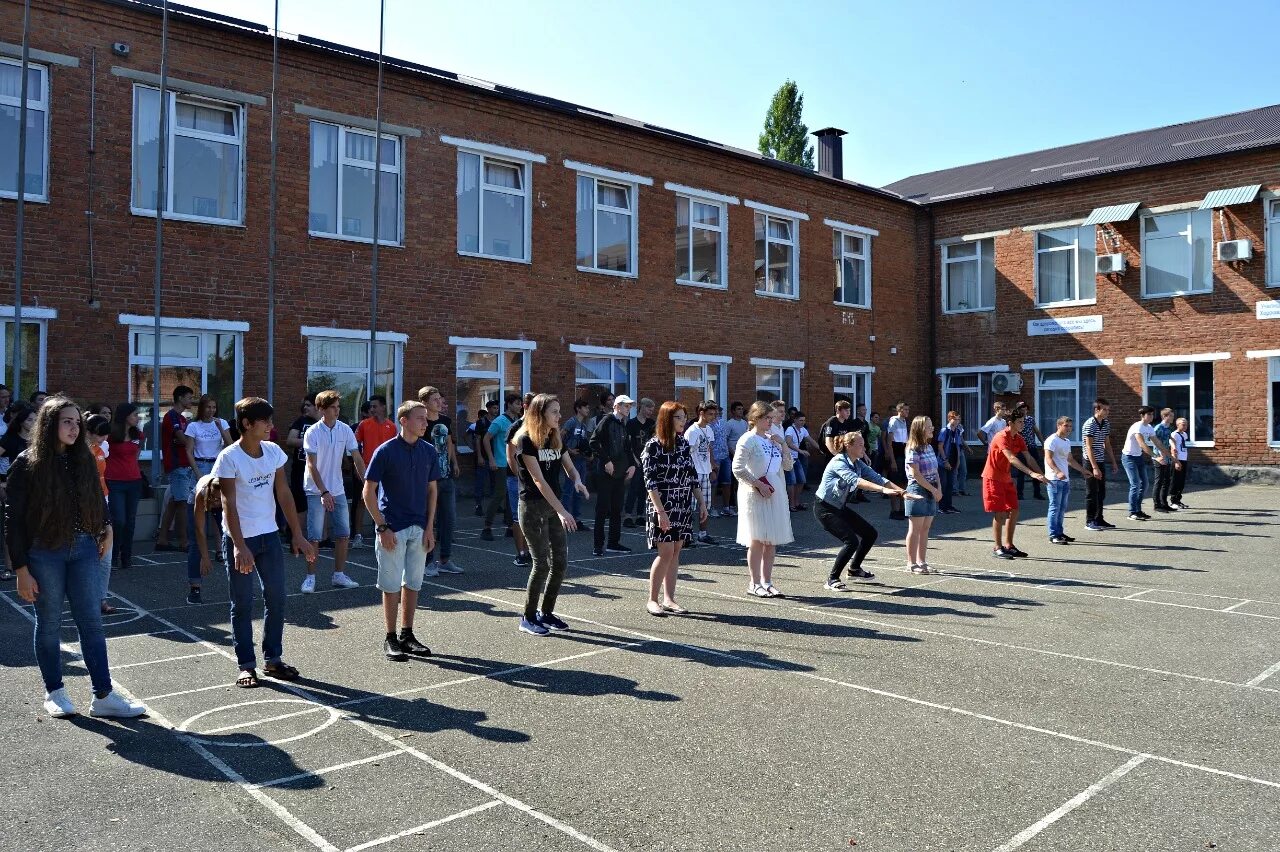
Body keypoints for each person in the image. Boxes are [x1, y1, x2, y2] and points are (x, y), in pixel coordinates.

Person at [7, 397, 145, 719]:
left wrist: (107, 526)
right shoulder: (27, 463)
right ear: (50, 424)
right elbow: (11, 520)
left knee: (91, 622)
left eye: (76, 422)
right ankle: (55, 692)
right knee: (50, 623)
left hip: (83, 549)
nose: (74, 427)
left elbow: (97, 494)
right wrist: (20, 569)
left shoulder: (83, 457)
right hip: (43, 553)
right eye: (66, 421)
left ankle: (104, 696)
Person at [214, 397, 317, 688]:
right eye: (266, 421)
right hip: (240, 538)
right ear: (247, 424)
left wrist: (297, 534)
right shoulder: (229, 457)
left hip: (269, 535)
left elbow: (284, 494)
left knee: (276, 597)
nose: (272, 425)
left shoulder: (272, 452)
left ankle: (273, 660)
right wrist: (238, 545)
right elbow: (228, 503)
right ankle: (246, 665)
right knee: (242, 603)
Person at [362, 400, 438, 662]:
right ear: (404, 421)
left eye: (426, 419)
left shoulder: (428, 451)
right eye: (420, 419)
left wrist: (430, 527)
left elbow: (432, 491)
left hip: (419, 528)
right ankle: (390, 637)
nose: (425, 423)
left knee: (414, 582)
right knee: (391, 584)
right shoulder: (385, 451)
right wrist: (381, 526)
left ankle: (407, 635)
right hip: (392, 528)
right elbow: (367, 492)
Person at [514, 394, 588, 635]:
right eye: (554, 412)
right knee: (541, 564)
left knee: (560, 563)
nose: (559, 416)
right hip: (533, 508)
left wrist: (577, 480)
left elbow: (569, 466)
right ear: (540, 414)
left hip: (553, 506)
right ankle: (527, 617)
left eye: (559, 411)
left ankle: (546, 613)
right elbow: (538, 481)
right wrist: (563, 511)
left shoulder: (555, 436)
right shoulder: (526, 440)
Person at [815, 431, 914, 591]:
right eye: (860, 444)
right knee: (851, 541)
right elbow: (857, 481)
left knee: (870, 534)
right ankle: (832, 579)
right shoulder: (839, 462)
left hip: (839, 507)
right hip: (825, 508)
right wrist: (882, 491)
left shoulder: (857, 463)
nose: (864, 447)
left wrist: (903, 493)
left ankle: (854, 569)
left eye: (864, 444)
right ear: (848, 446)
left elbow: (879, 478)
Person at [642, 401, 706, 616]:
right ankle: (652, 600)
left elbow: (691, 475)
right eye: (678, 417)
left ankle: (669, 598)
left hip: (682, 504)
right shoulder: (653, 445)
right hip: (662, 504)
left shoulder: (682, 444)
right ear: (667, 419)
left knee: (676, 551)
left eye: (684, 416)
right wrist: (660, 512)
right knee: (665, 551)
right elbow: (650, 482)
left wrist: (702, 502)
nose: (683, 421)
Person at [301, 389, 367, 592]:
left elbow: (356, 457)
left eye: (338, 407)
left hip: (337, 489)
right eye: (332, 407)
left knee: (344, 534)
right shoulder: (312, 432)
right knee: (314, 537)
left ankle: (338, 575)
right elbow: (312, 466)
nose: (337, 411)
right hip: (315, 490)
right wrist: (323, 492)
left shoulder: (345, 429)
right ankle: (310, 577)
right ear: (321, 409)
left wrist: (367, 482)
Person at [732, 401, 793, 597]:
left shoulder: (772, 439)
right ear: (756, 418)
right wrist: (758, 484)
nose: (771, 421)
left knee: (771, 540)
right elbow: (738, 469)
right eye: (767, 418)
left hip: (774, 492)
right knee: (757, 539)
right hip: (754, 493)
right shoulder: (747, 439)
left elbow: (788, 466)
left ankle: (767, 581)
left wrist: (782, 444)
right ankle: (754, 582)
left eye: (771, 418)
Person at [982, 411, 1048, 560]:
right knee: (1000, 513)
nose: (1022, 425)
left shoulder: (1019, 438)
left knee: (1014, 510)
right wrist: (1031, 474)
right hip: (992, 478)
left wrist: (1042, 475)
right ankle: (997, 548)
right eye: (1020, 422)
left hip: (1006, 478)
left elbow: (1029, 458)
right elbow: (1011, 458)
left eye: (1023, 422)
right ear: (1010, 423)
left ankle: (1009, 545)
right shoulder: (1001, 436)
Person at [420, 386, 462, 576]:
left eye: (439, 399)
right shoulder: (421, 422)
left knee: (449, 520)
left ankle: (445, 560)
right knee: (429, 520)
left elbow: (449, 443)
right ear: (425, 403)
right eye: (435, 399)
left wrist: (454, 463)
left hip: (446, 478)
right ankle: (428, 562)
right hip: (427, 480)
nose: (439, 402)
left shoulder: (446, 421)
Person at [589, 394, 636, 556]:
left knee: (617, 509)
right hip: (605, 473)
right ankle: (598, 545)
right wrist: (606, 461)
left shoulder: (624, 424)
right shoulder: (607, 420)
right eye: (625, 405)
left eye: (629, 406)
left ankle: (613, 543)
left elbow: (627, 448)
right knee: (602, 509)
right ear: (616, 406)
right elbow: (594, 441)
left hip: (620, 473)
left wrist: (632, 465)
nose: (628, 409)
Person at [105, 403, 145, 572]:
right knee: (118, 520)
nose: (137, 417)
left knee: (130, 521)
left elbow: (136, 456)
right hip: (114, 481)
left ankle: (126, 556)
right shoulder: (111, 435)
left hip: (134, 481)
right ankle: (113, 555)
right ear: (125, 416)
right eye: (135, 414)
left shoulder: (138, 435)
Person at [0, 402, 37, 581]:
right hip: (17, 488)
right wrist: (2, 483)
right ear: (22, 421)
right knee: (13, 526)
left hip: (38, 488)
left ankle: (32, 563)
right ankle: (9, 566)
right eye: (30, 419)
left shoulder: (40, 441)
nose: (34, 423)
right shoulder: (11, 439)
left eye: (37, 420)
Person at [1043, 416, 1094, 545]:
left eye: (1070, 426)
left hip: (1065, 480)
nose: (1069, 429)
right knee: (1054, 507)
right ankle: (1053, 535)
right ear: (1059, 426)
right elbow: (1048, 458)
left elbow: (1070, 460)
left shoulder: (1066, 441)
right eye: (1066, 426)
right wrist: (1057, 472)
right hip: (1054, 479)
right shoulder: (1051, 440)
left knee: (1062, 508)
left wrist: (1083, 470)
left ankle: (1059, 533)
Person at [903, 416, 944, 573]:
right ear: (920, 429)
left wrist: (938, 488)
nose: (932, 429)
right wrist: (933, 490)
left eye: (932, 426)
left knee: (925, 528)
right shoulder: (912, 448)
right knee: (915, 528)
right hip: (917, 489)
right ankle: (911, 563)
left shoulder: (929, 447)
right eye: (929, 426)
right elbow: (916, 474)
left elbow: (935, 471)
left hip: (932, 488)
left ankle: (922, 561)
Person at [84, 414, 115, 613]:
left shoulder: (102, 448)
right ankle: (85, 598)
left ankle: (101, 598)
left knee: (106, 555)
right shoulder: (77, 451)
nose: (103, 439)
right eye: (99, 435)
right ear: (87, 432)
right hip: (85, 505)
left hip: (103, 501)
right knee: (87, 554)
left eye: (105, 436)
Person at [481, 394, 522, 546]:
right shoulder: (499, 421)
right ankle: (487, 527)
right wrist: (491, 459)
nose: (519, 406)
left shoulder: (518, 421)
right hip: (500, 463)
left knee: (513, 494)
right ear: (509, 404)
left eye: (520, 404)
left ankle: (511, 526)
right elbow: (486, 439)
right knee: (499, 494)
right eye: (517, 404)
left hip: (514, 462)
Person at [355, 396, 396, 542]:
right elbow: (355, 447)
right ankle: (358, 534)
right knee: (362, 500)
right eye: (371, 407)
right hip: (367, 469)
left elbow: (393, 449)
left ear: (383, 407)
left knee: (383, 501)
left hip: (386, 471)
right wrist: (357, 465)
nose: (372, 409)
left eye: (375, 406)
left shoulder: (391, 426)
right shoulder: (364, 424)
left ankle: (380, 529)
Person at [683, 400, 719, 546]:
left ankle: (703, 534)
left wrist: (713, 467)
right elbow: (686, 454)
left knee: (705, 505)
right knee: (690, 506)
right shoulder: (692, 431)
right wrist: (688, 473)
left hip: (705, 471)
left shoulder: (709, 430)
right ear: (701, 413)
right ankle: (687, 535)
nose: (713, 417)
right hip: (693, 472)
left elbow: (709, 449)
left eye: (714, 414)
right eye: (710, 414)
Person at [1121, 406, 1166, 522]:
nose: (1151, 417)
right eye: (1149, 414)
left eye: (1152, 414)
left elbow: (1157, 442)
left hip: (1138, 457)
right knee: (1135, 484)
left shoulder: (1149, 427)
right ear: (1142, 416)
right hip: (1128, 457)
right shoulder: (1137, 427)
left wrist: (1169, 455)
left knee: (1144, 484)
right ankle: (1132, 512)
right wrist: (1156, 457)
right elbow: (1142, 444)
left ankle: (1138, 510)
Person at [1081, 398, 1119, 531]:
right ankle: (1089, 521)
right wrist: (1094, 467)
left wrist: (1113, 461)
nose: (1108, 412)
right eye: (1105, 409)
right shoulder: (1089, 424)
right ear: (1097, 410)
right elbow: (1088, 447)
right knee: (1091, 492)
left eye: (1108, 409)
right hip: (1090, 462)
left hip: (1101, 460)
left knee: (1101, 492)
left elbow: (1107, 443)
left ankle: (1099, 518)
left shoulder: (1106, 423)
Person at [285, 395, 318, 545]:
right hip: (300, 468)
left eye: (309, 405)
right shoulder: (301, 422)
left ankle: (320, 538)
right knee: (300, 504)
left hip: (318, 470)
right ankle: (295, 538)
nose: (306, 408)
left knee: (318, 503)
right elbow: (290, 440)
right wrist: (310, 442)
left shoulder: (324, 424)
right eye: (304, 405)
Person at [186, 473, 222, 605]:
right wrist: (205, 557)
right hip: (197, 501)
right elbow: (200, 530)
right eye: (213, 498)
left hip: (224, 503)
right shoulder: (201, 494)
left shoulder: (230, 492)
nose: (215, 502)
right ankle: (195, 589)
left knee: (231, 541)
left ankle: (241, 587)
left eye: (218, 499)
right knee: (196, 544)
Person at [623, 398, 656, 528]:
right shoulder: (631, 424)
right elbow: (628, 444)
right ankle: (628, 515)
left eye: (652, 409)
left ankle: (640, 515)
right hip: (636, 460)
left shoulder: (651, 423)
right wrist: (634, 459)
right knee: (633, 488)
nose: (650, 412)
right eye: (648, 408)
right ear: (641, 407)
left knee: (645, 489)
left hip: (648, 460)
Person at [560, 399, 593, 529]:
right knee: (568, 490)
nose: (587, 410)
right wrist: (568, 450)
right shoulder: (571, 422)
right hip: (570, 460)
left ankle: (576, 519)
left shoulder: (584, 426)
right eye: (585, 407)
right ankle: (565, 519)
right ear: (578, 408)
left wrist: (588, 454)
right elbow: (559, 437)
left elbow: (584, 444)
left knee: (579, 490)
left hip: (581, 461)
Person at [719, 401, 748, 516]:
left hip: (743, 454)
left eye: (742, 409)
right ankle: (730, 505)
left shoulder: (745, 423)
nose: (740, 411)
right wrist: (733, 452)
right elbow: (725, 440)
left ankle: (739, 505)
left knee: (741, 481)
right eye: (738, 409)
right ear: (733, 411)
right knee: (731, 481)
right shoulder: (729, 424)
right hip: (732, 455)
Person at [784, 411, 817, 511]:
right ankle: (791, 504)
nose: (802, 422)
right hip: (788, 458)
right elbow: (788, 443)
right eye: (800, 420)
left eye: (804, 420)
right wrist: (800, 451)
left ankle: (796, 502)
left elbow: (811, 440)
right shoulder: (790, 429)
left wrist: (822, 449)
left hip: (796, 458)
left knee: (802, 480)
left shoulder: (803, 430)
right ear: (795, 420)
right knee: (792, 481)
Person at [471, 399, 498, 516]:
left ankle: (495, 506)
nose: (496, 410)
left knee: (495, 482)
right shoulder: (481, 422)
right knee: (480, 482)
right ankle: (478, 505)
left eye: (497, 408)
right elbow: (477, 439)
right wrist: (479, 456)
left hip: (496, 456)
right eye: (493, 408)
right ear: (488, 409)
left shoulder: (498, 421)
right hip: (484, 456)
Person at [1014, 403, 1046, 501]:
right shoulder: (1016, 420)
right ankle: (1019, 494)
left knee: (1036, 469)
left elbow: (1037, 431)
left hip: (1031, 447)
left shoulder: (1030, 419)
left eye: (1025, 409)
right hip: (1020, 449)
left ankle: (1037, 493)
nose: (1024, 411)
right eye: (1021, 409)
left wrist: (1043, 443)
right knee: (1021, 471)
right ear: (1018, 410)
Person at [937, 410, 965, 514]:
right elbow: (940, 446)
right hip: (943, 462)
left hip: (953, 460)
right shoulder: (945, 430)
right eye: (955, 419)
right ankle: (941, 507)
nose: (957, 421)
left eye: (958, 419)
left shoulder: (957, 431)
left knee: (950, 485)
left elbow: (957, 446)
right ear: (949, 419)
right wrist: (945, 461)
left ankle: (949, 506)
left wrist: (957, 461)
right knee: (943, 485)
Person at [1151, 408, 1176, 513]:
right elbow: (1154, 442)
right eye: (1171, 416)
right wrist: (1161, 456)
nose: (1172, 418)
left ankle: (1164, 503)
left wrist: (1174, 445)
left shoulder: (1168, 427)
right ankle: (1157, 505)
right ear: (1165, 416)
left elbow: (1170, 438)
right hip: (1159, 458)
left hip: (1167, 457)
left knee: (1166, 481)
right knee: (1159, 481)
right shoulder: (1158, 427)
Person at [1169, 417, 1191, 510]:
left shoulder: (1184, 434)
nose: (1185, 426)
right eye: (1183, 424)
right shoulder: (1174, 434)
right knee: (1175, 481)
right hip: (1177, 460)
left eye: (1186, 424)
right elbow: (1173, 448)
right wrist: (1176, 461)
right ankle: (1173, 501)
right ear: (1177, 425)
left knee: (1181, 482)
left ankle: (1178, 500)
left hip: (1184, 459)